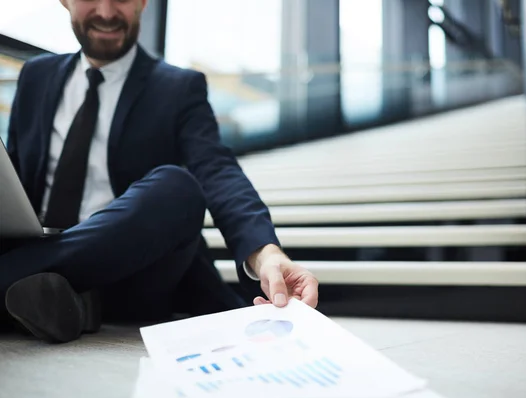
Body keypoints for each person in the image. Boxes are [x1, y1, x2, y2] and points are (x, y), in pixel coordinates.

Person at [0, 0, 318, 343]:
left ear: (142, 2)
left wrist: (267, 254)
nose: (106, 13)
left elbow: (218, 170)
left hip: (135, 273)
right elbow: (14, 180)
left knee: (177, 187)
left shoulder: (179, 87)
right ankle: (53, 294)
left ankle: (22, 278)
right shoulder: (35, 76)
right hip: (38, 241)